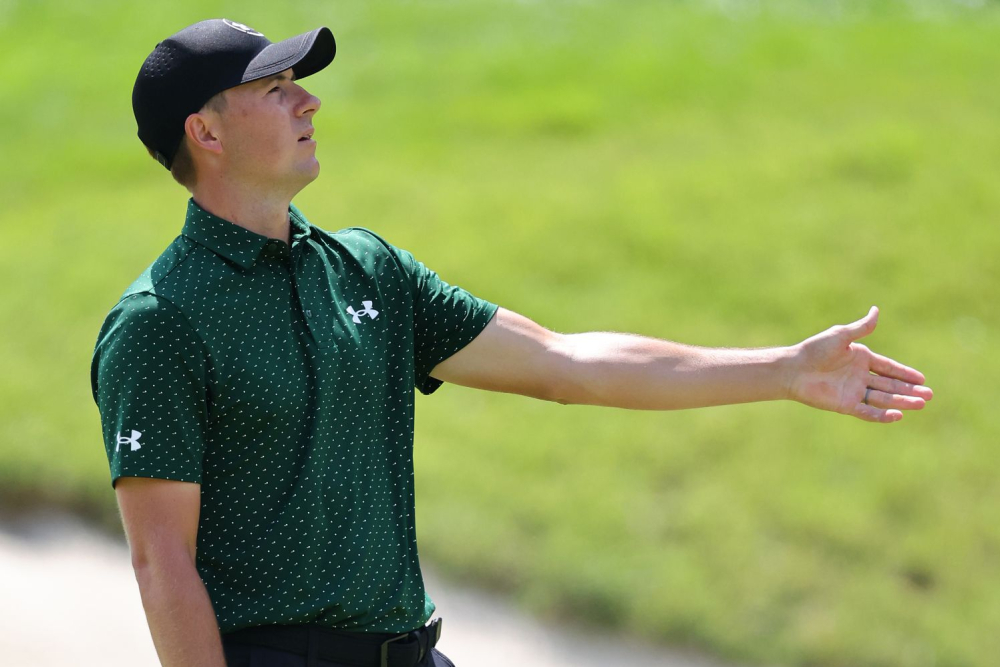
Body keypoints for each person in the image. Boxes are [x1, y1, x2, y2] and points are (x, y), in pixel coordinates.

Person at [90, 17, 933, 667]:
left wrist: (782, 369)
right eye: (276, 88)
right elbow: (162, 561)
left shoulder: (367, 270)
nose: (309, 100)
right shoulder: (161, 320)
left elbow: (565, 362)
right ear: (206, 133)